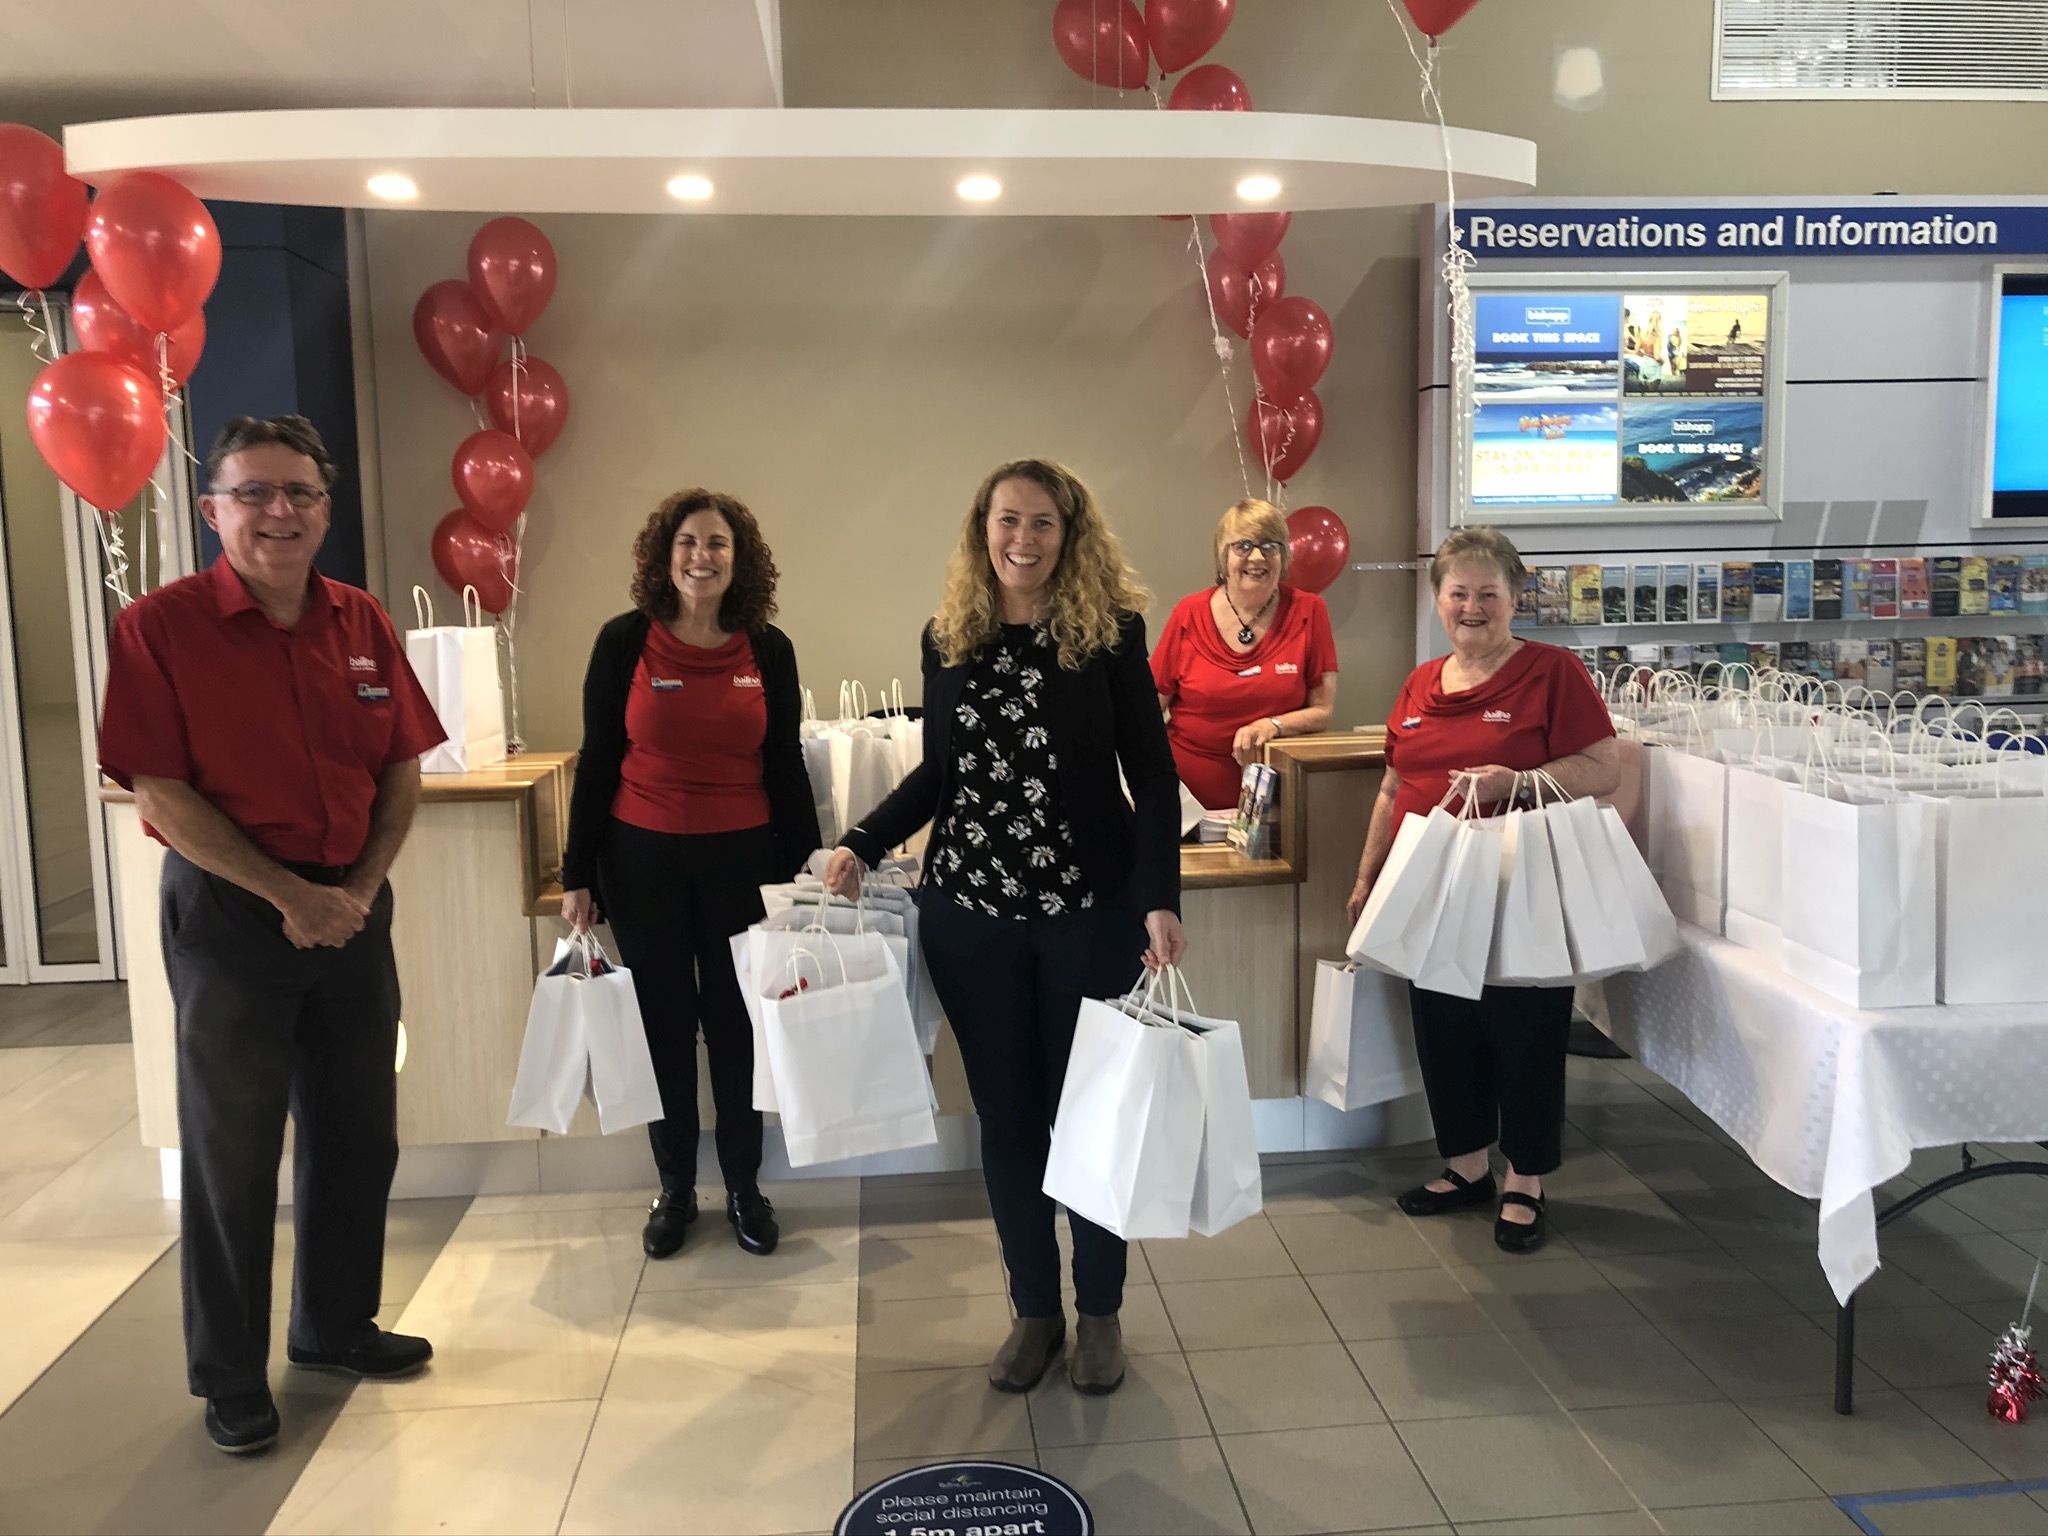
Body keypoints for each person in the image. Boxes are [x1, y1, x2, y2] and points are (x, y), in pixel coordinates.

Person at [97, 415, 444, 1454]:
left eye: (297, 493)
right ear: (214, 509)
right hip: (231, 915)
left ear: (325, 511)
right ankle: (228, 1377)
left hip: (353, 909)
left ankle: (334, 1328)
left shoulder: (361, 622)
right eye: (253, 493)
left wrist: (360, 887)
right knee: (232, 1153)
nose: (277, 512)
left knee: (356, 1134)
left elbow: (400, 766)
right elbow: (159, 786)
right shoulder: (160, 628)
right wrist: (288, 893)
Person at [822, 459, 1184, 1398]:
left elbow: (1150, 775)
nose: (1022, 539)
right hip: (971, 919)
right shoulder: (951, 637)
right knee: (1009, 1122)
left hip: (1086, 917)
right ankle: (1034, 1311)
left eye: (1042, 523)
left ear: (1072, 533)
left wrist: (1159, 896)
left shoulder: (1109, 636)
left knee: (1089, 1117)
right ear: (981, 529)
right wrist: (862, 838)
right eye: (1005, 521)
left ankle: (1099, 1310)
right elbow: (940, 772)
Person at [560, 490, 820, 1261]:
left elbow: (784, 765)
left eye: (718, 544)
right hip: (643, 863)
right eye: (687, 542)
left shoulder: (767, 648)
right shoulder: (623, 643)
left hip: (743, 862)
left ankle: (744, 1184)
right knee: (663, 1028)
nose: (701, 556)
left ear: (741, 561)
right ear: (663, 555)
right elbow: (599, 758)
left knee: (739, 1029)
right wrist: (578, 872)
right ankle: (675, 1188)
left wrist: (805, 868)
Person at [1344, 527, 1618, 1254]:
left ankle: (1526, 1177)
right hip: (1429, 885)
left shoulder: (1552, 673)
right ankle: (1466, 1167)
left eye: (1487, 594)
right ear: (1438, 601)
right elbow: (1393, 784)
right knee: (1443, 1027)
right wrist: (1369, 875)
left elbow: (1603, 767)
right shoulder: (1419, 682)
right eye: (1458, 593)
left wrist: (1519, 783)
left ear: (1515, 598)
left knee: (1524, 1031)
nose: (1472, 607)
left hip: (1517, 885)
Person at [1151, 498, 1338, 810]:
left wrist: (1271, 725)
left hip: (1276, 801)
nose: (1256, 556)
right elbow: (1147, 710)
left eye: (1269, 545)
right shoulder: (1188, 613)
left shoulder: (1310, 611)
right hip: (1185, 802)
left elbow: (1323, 711)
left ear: (1284, 555)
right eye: (1243, 546)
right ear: (1223, 557)